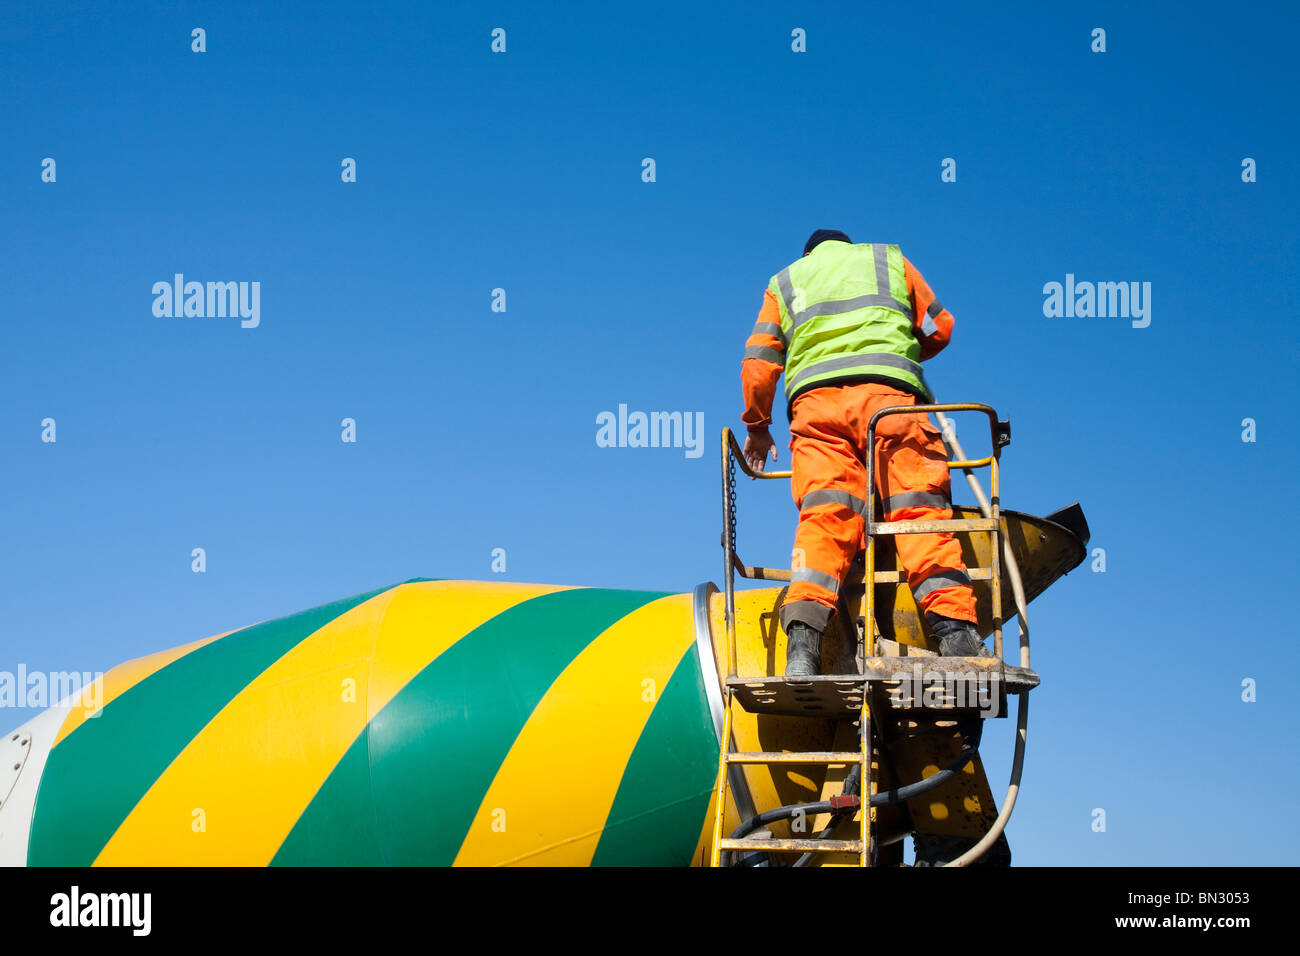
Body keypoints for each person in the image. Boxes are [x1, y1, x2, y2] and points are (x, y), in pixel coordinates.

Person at [740, 229, 986, 676]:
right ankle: (956, 636)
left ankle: (803, 648)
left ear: (810, 254)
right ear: (847, 246)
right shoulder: (888, 259)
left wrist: (758, 427)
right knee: (918, 514)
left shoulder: (785, 282)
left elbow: (759, 363)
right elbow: (939, 326)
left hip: (816, 412)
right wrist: (900, 350)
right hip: (890, 399)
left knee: (825, 517)